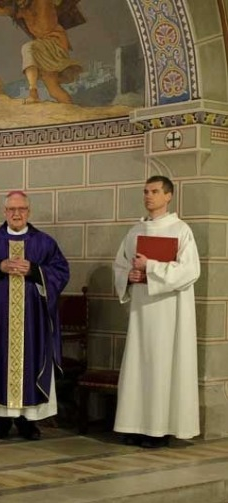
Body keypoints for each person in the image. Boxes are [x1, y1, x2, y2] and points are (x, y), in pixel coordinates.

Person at [0, 190, 69, 439]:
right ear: (4, 212)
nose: (16, 214)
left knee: (29, 365)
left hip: (32, 322)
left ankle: (27, 421)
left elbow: (61, 272)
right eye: (11, 209)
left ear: (29, 211)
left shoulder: (44, 243)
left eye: (21, 209)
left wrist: (35, 271)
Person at [112, 176, 200, 448]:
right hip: (142, 310)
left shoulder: (181, 230)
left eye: (155, 191)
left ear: (168, 196)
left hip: (169, 311)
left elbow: (190, 271)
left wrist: (150, 267)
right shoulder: (135, 231)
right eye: (146, 191)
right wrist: (129, 276)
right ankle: (134, 425)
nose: (148, 196)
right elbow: (120, 265)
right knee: (139, 364)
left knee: (163, 365)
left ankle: (159, 430)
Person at [0, 0, 83, 105]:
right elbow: (0, 10)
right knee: (53, 90)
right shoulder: (22, 10)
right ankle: (69, 107)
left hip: (55, 42)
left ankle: (33, 93)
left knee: (28, 48)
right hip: (44, 48)